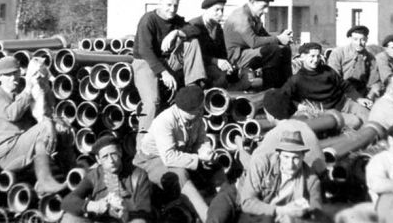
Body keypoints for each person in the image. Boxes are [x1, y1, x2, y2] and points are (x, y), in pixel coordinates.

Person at [206, 89, 327, 223]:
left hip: (275, 196)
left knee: (225, 198)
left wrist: (239, 145)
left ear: (269, 115)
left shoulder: (274, 136)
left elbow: (251, 167)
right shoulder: (305, 127)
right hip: (306, 193)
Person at [134, 86, 224, 223]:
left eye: (201, 108)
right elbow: (169, 157)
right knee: (180, 175)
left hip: (180, 156)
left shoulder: (195, 117)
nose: (201, 112)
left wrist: (207, 152)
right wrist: (199, 158)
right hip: (150, 161)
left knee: (215, 166)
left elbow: (201, 141)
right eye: (197, 109)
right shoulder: (165, 121)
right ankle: (209, 218)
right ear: (184, 110)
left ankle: (225, 202)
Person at [0, 56, 71, 196]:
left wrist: (59, 121)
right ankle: (45, 182)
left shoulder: (21, 94)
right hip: (6, 154)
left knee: (62, 126)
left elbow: (44, 111)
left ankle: (72, 175)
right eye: (8, 75)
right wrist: (28, 89)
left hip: (24, 147)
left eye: (16, 73)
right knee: (44, 127)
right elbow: (11, 114)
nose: (14, 78)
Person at [132, 0, 207, 134]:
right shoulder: (148, 20)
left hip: (166, 61)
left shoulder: (175, 20)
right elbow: (145, 50)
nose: (172, 9)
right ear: (160, 2)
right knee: (152, 102)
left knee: (192, 42)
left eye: (175, 5)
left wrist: (176, 33)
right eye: (168, 5)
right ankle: (142, 146)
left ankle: (193, 86)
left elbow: (195, 30)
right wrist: (164, 73)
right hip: (145, 62)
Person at [238, 130, 324, 223]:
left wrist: (293, 219)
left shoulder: (311, 180)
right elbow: (247, 202)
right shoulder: (262, 164)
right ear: (278, 154)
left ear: (303, 156)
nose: (290, 165)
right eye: (286, 157)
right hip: (247, 204)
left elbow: (316, 214)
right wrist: (281, 210)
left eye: (295, 158)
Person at [61, 136, 152, 223]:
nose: (111, 160)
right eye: (105, 157)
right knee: (69, 219)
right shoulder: (93, 176)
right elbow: (67, 202)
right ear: (98, 160)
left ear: (120, 152)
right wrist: (93, 206)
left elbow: (144, 211)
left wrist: (126, 211)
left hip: (127, 220)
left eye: (113, 154)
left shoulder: (138, 175)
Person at [281, 42, 370, 128]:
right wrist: (298, 105)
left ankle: (375, 140)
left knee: (368, 115)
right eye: (312, 56)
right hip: (327, 111)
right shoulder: (297, 79)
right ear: (303, 57)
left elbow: (344, 85)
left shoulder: (327, 70)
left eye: (318, 56)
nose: (316, 60)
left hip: (344, 103)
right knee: (355, 122)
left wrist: (359, 98)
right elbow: (284, 95)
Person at [223, 0, 293, 89]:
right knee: (273, 51)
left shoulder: (254, 16)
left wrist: (283, 38)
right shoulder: (240, 17)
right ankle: (270, 90)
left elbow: (265, 37)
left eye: (267, 6)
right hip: (236, 58)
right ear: (252, 2)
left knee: (285, 49)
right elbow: (254, 42)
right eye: (264, 6)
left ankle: (287, 88)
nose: (266, 11)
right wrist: (278, 39)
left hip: (247, 53)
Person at [189, 0, 234, 88]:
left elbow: (222, 52)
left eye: (222, 10)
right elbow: (192, 54)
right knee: (220, 78)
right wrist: (215, 61)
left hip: (212, 66)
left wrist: (227, 64)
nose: (220, 13)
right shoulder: (194, 25)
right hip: (196, 69)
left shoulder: (217, 28)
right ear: (206, 10)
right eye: (217, 10)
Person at [327, 25, 381, 101]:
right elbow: (334, 79)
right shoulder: (338, 53)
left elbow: (374, 82)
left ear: (367, 40)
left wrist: (369, 97)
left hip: (362, 94)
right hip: (341, 94)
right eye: (355, 39)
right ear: (350, 39)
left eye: (362, 39)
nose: (359, 43)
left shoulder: (370, 58)